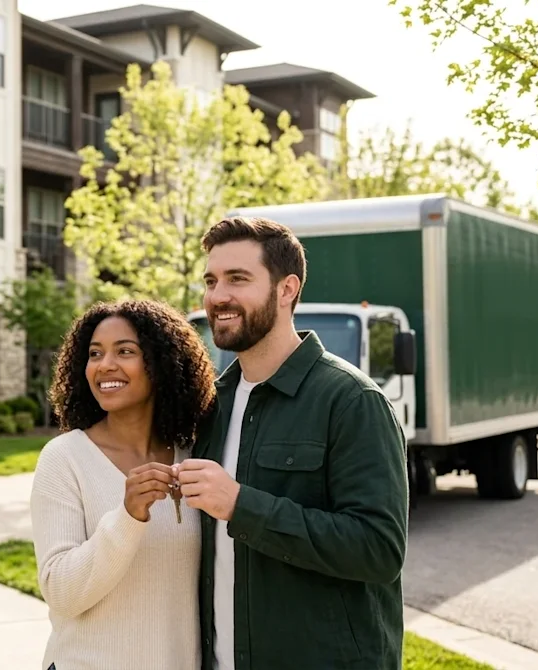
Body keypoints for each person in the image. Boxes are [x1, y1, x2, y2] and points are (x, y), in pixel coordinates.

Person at [176, 215, 410, 670]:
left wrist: (241, 505)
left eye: (238, 279)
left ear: (287, 290)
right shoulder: (211, 406)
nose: (217, 296)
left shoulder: (352, 401)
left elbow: (379, 550)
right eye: (211, 280)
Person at [30, 299, 217, 670]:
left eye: (125, 351)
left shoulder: (193, 458)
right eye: (95, 353)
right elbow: (61, 593)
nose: (105, 365)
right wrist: (128, 516)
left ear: (162, 363)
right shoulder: (64, 458)